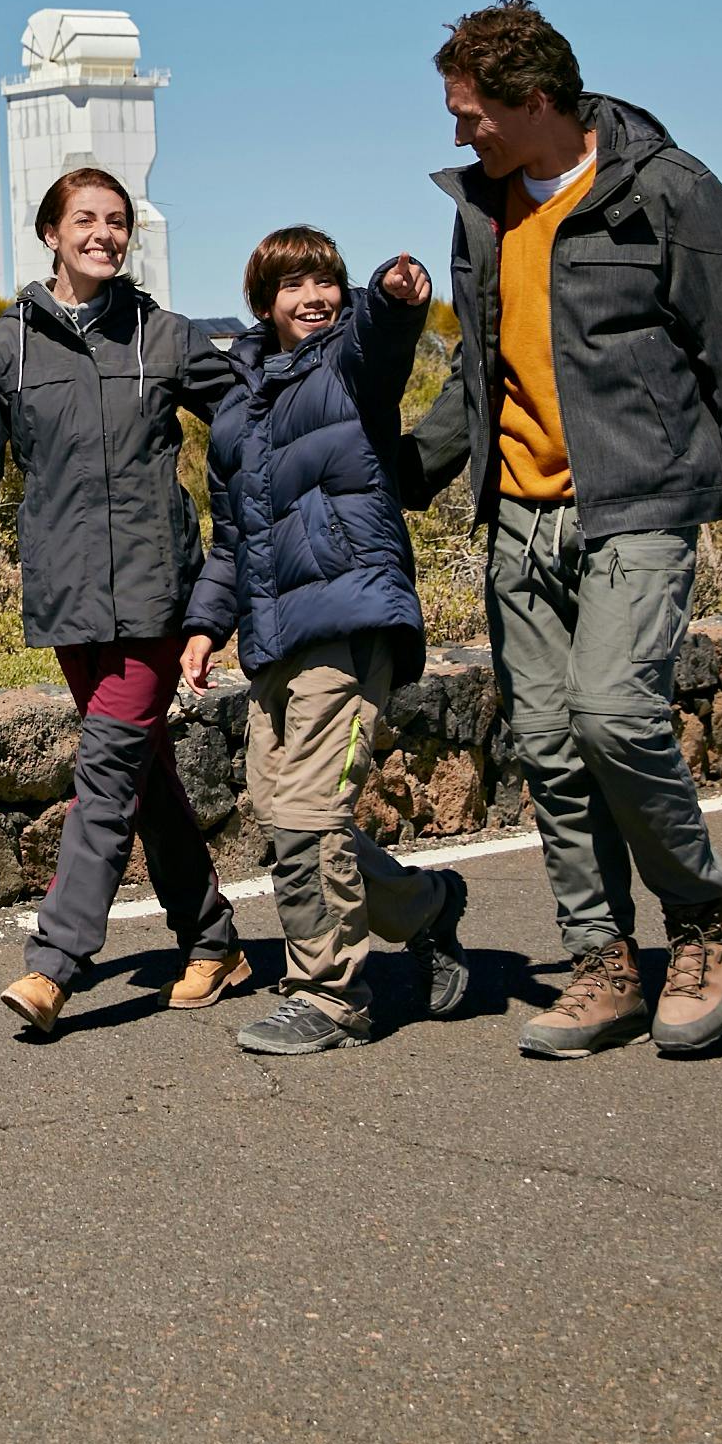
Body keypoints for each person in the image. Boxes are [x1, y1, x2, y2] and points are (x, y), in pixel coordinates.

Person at [418, 0, 722, 1060]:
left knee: (612, 718)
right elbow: (477, 369)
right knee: (545, 746)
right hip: (516, 520)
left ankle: (703, 924)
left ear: (531, 99)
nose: (458, 132)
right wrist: (406, 465)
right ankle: (600, 964)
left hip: (635, 505)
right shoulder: (482, 211)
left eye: (470, 114)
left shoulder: (673, 194)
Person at [0, 163, 251, 1037]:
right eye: (86, 220)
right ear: (52, 233)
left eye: (117, 221)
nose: (105, 234)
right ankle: (215, 940)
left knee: (108, 772)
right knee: (143, 776)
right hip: (66, 596)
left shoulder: (165, 336)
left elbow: (247, 425)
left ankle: (55, 965)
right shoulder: (6, 347)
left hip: (158, 594)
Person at [186, 227, 477, 1055]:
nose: (312, 297)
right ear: (264, 303)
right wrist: (207, 625)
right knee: (286, 816)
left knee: (311, 819)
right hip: (275, 636)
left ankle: (330, 996)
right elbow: (234, 536)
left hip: (350, 622)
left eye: (325, 282)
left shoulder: (348, 365)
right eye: (293, 285)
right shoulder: (238, 407)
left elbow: (381, 347)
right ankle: (424, 908)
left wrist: (393, 300)